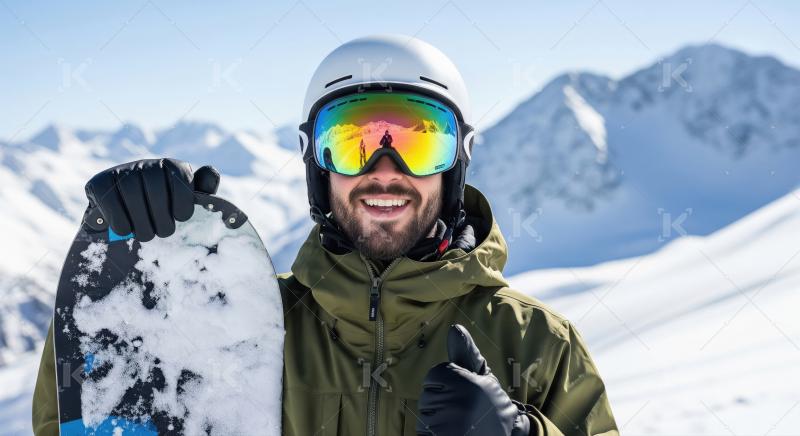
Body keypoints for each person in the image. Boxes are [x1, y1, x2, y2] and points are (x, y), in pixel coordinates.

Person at [32, 34, 618, 436]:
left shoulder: (538, 343)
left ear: (456, 164)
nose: (384, 170)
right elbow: (89, 415)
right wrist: (126, 269)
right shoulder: (234, 319)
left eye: (419, 143)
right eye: (352, 141)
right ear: (316, 163)